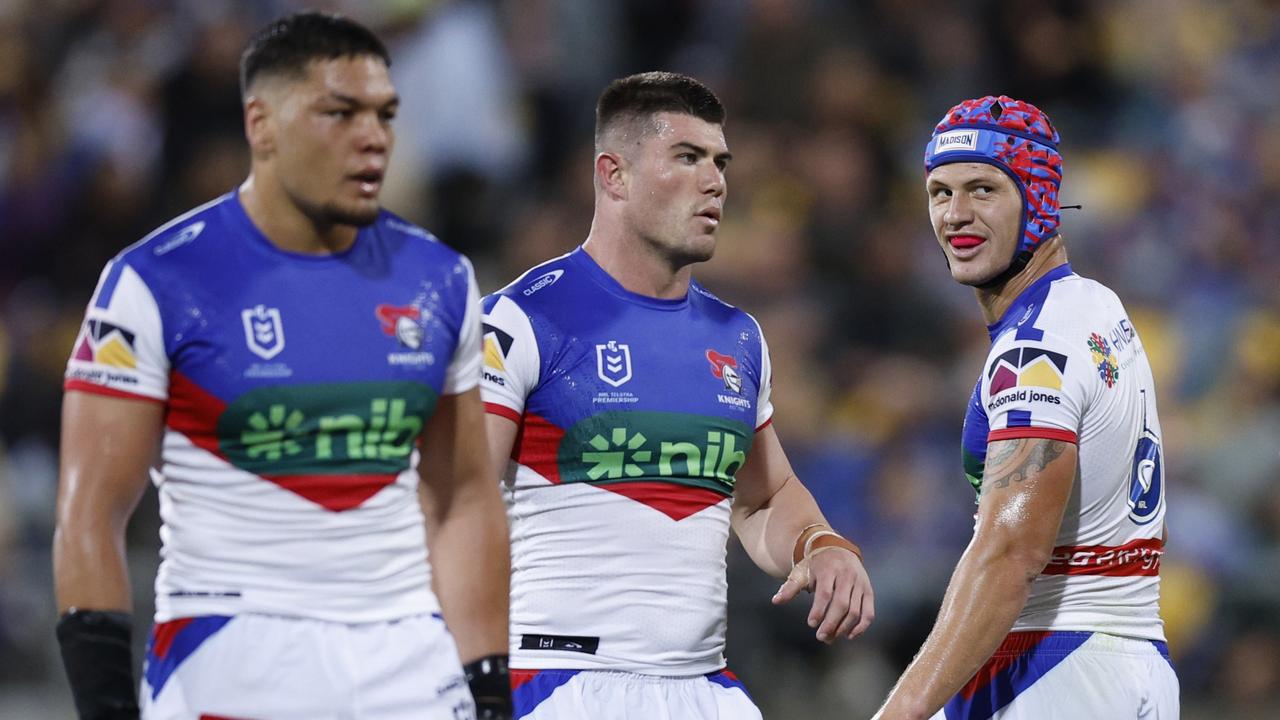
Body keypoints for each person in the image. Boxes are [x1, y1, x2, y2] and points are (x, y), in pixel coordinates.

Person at [53, 12, 512, 720]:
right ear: (260, 125)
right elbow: (91, 514)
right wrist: (106, 707)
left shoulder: (440, 278)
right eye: (340, 112)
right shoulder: (155, 281)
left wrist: (487, 686)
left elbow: (464, 499)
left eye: (385, 114)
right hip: (230, 651)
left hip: (408, 656)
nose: (373, 137)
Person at [478, 71, 874, 719]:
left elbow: (765, 497)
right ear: (614, 176)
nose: (715, 181)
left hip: (702, 689)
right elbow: (452, 502)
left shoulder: (738, 338)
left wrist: (819, 544)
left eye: (720, 162)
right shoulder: (520, 321)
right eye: (687, 158)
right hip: (558, 681)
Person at [873, 96, 1178, 719]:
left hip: (1056, 667)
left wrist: (900, 712)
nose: (955, 215)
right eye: (939, 192)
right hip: (1135, 657)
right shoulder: (1097, 306)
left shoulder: (1034, 351)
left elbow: (1011, 553)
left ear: (1039, 197)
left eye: (983, 189)